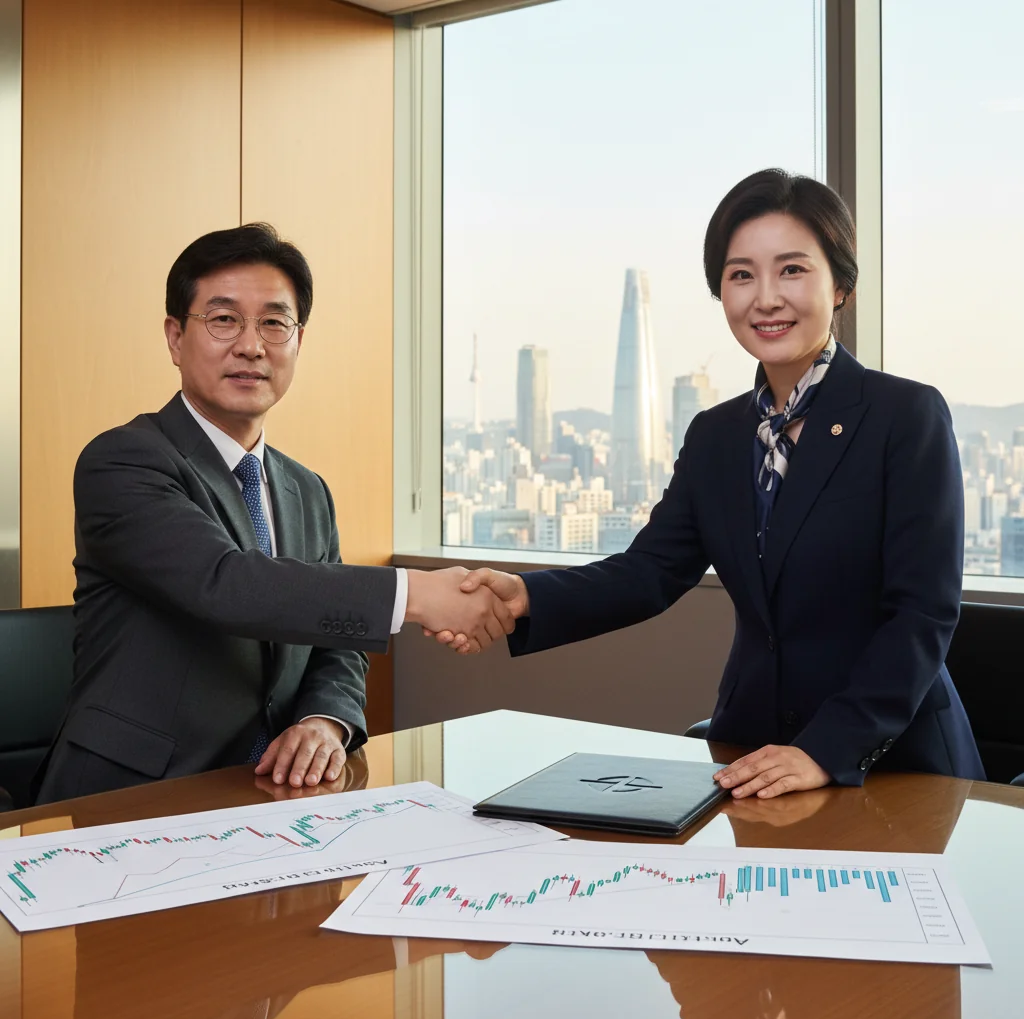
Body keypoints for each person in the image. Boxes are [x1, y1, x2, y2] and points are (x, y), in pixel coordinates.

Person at [430, 169, 985, 796]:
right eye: (741, 275)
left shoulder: (904, 416)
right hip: (751, 753)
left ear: (841, 286)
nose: (765, 298)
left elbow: (921, 614)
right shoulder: (717, 435)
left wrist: (824, 750)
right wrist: (525, 597)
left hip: (891, 762)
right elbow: (649, 572)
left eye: (792, 270)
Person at [35, 223, 512, 804]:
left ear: (297, 341)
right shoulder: (122, 461)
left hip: (272, 797)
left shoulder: (307, 490)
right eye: (223, 319)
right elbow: (227, 585)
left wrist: (324, 720)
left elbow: (337, 646)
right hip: (129, 801)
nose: (251, 346)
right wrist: (417, 593)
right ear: (175, 337)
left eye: (273, 323)